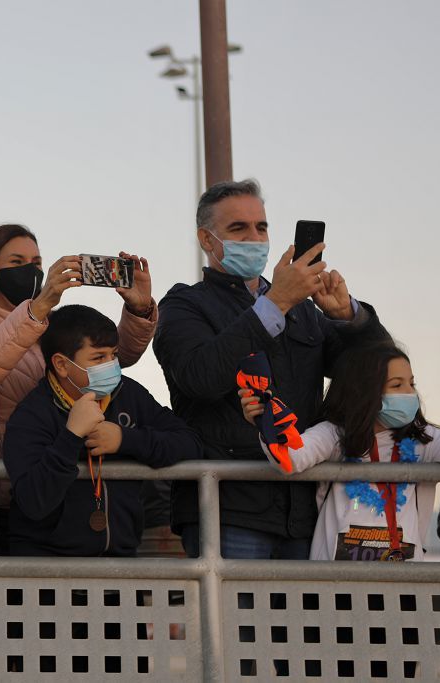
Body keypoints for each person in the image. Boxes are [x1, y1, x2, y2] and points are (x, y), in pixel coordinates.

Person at [154, 178, 390, 559]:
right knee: (235, 621)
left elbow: (378, 369)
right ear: (206, 239)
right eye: (238, 228)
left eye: (261, 227)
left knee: (303, 620)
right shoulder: (184, 305)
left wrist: (351, 316)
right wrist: (274, 303)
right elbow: (201, 378)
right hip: (228, 508)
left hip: (303, 507)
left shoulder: (302, 309)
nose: (254, 237)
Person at [0, 224, 157, 553]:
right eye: (16, 262)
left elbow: (109, 360)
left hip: (63, 484)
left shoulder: (50, 321)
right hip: (0, 493)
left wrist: (139, 309)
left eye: (36, 262)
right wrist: (39, 307)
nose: (30, 270)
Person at [3, 305, 201, 556]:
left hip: (121, 564)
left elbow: (189, 443)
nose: (111, 365)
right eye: (98, 358)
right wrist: (71, 436)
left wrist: (125, 439)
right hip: (49, 572)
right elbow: (34, 502)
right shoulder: (32, 415)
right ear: (61, 365)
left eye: (114, 355)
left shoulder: (129, 394)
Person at [242, 343, 440, 561]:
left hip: (402, 585)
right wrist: (267, 420)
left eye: (411, 384)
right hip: (337, 585)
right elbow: (291, 458)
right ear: (365, 390)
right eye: (397, 385)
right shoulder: (335, 434)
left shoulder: (423, 439)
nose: (410, 393)